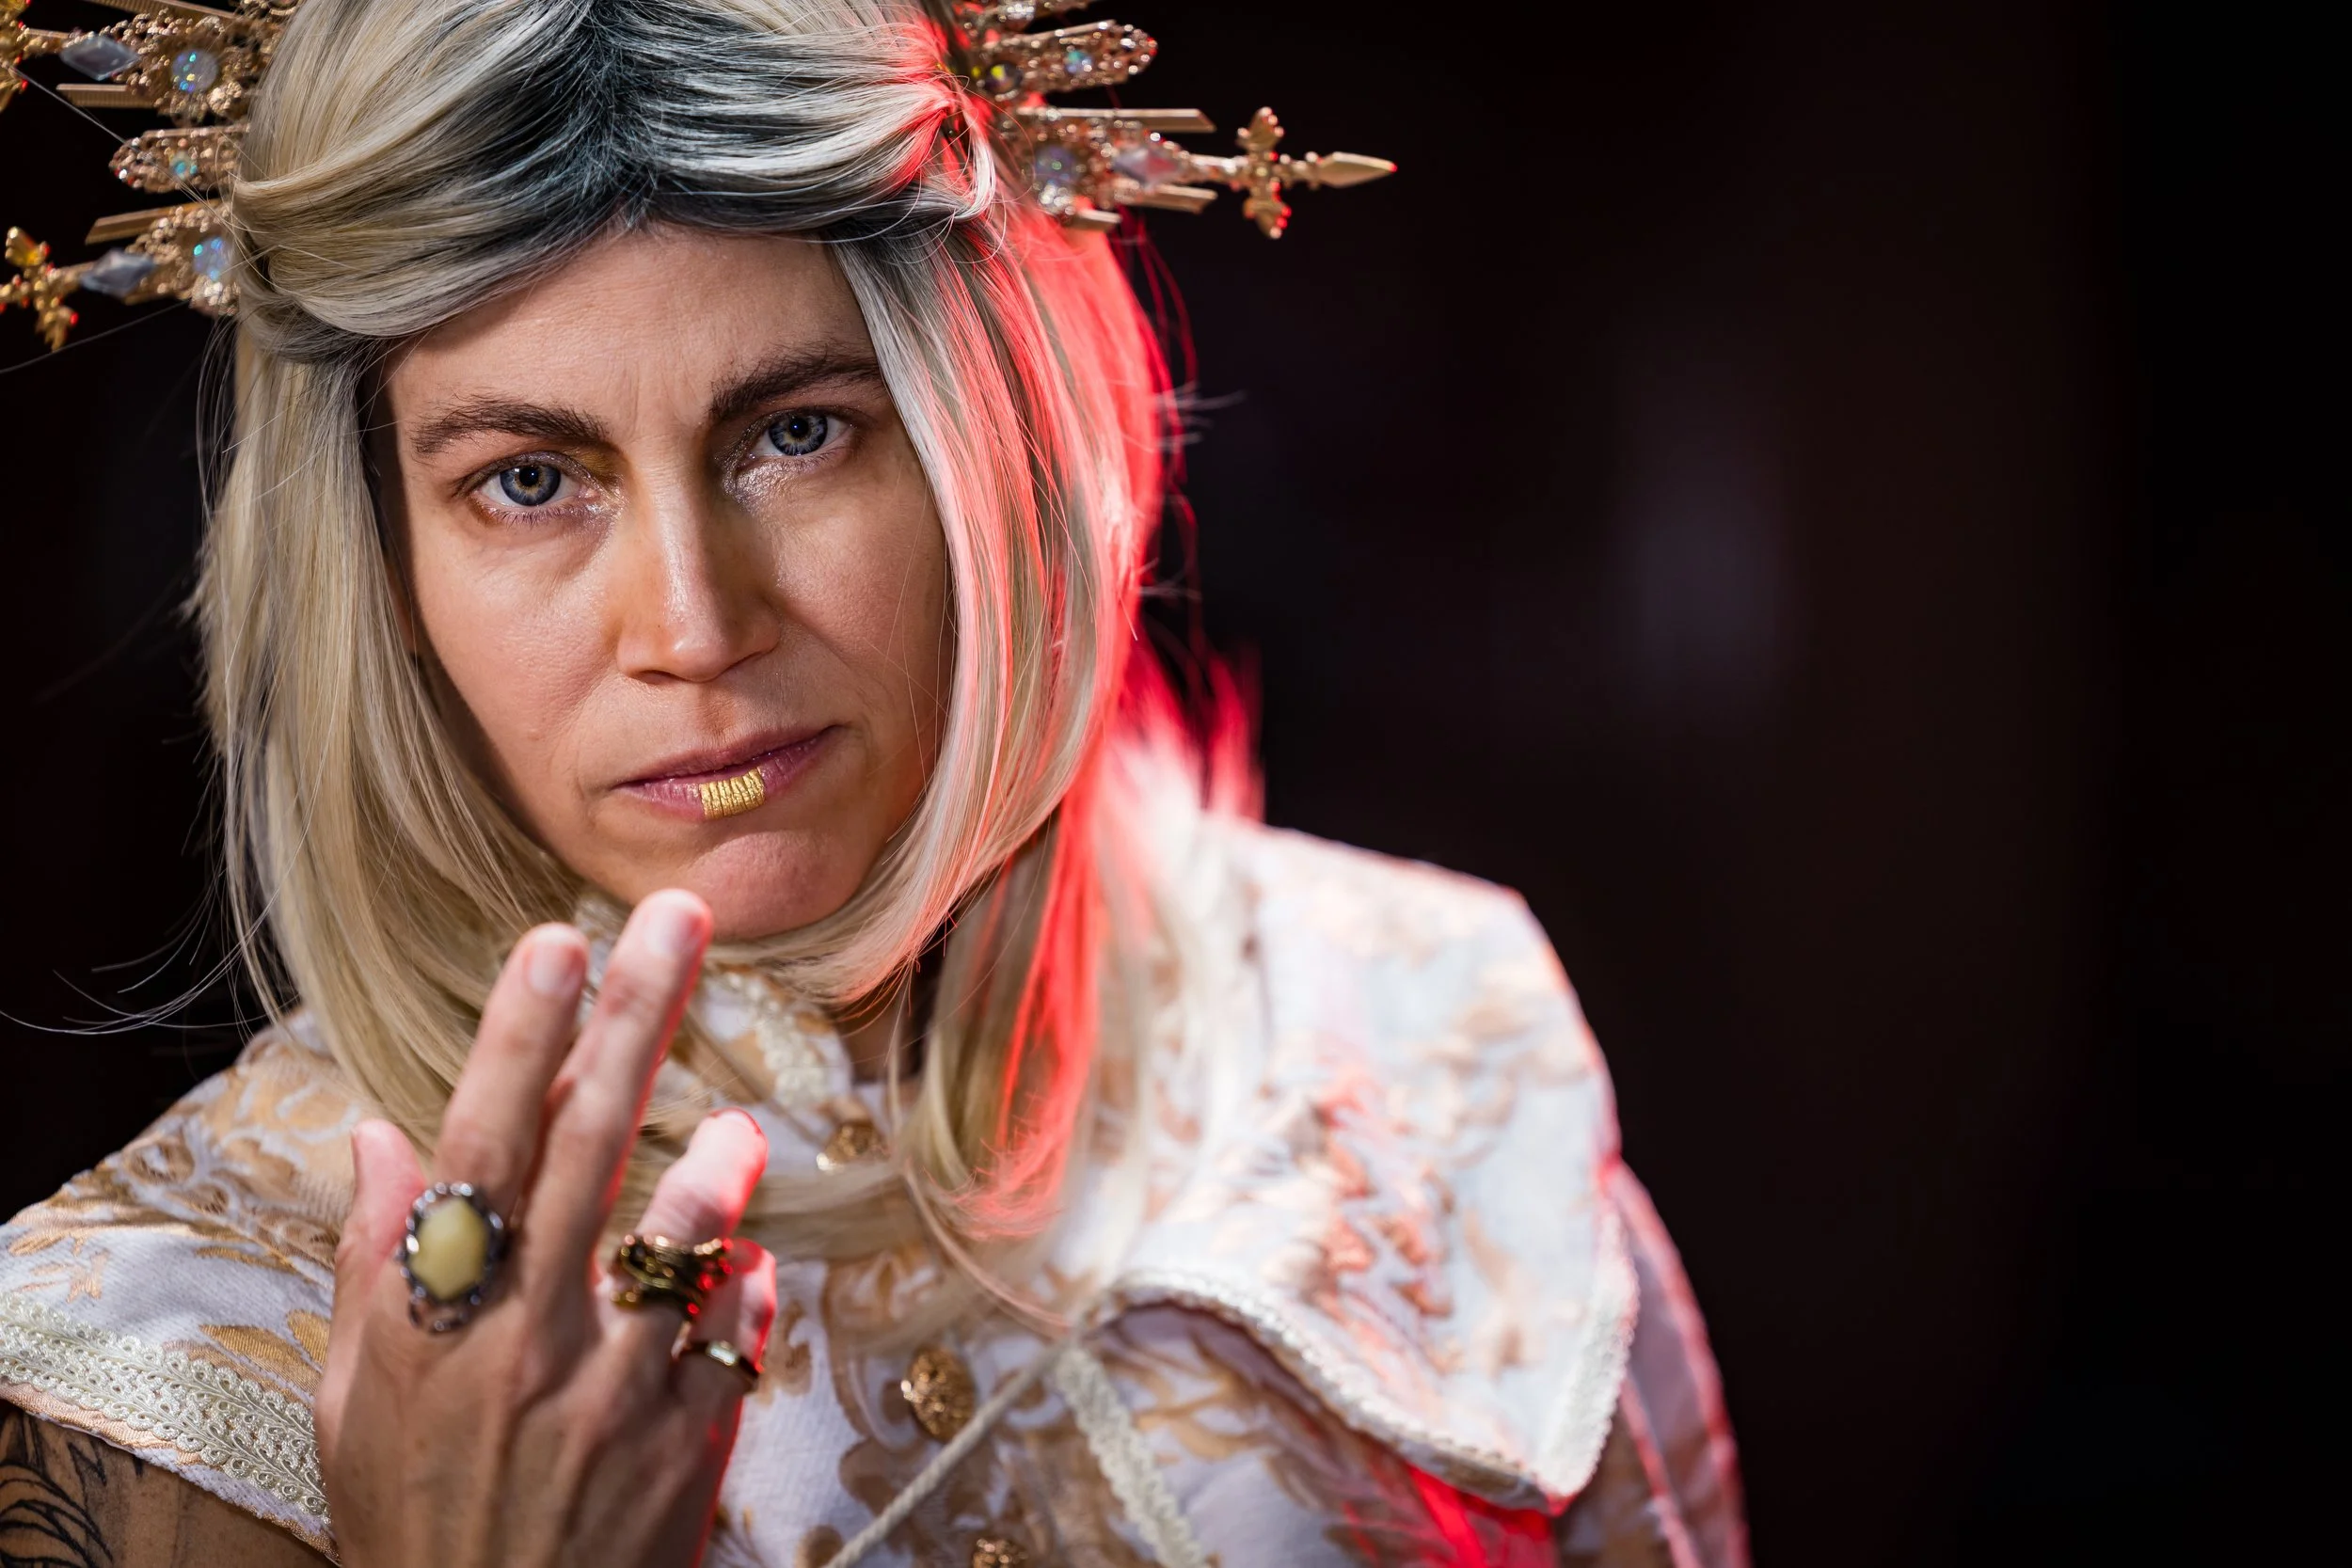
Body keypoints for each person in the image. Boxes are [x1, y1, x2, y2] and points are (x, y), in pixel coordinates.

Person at [0, 1, 1746, 1563]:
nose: (690, 626)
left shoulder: (1414, 1033)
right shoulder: (170, 1341)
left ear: (1004, 436)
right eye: (531, 480)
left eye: (797, 431)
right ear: (373, 556)